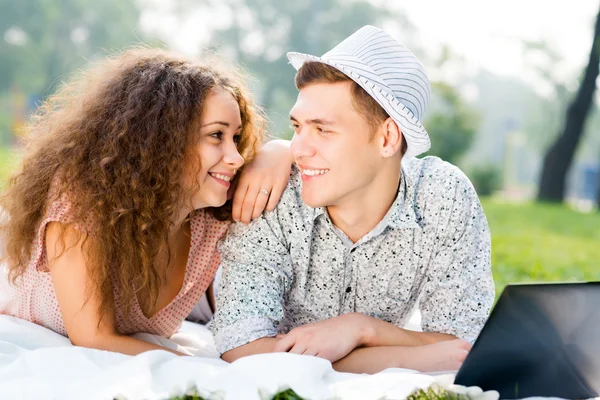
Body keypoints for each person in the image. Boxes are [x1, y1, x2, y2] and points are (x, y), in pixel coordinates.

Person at [211, 26, 495, 373]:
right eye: (297, 127)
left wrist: (361, 329)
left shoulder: (443, 197)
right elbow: (241, 344)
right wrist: (402, 356)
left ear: (388, 137)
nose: (298, 149)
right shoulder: (270, 190)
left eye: (323, 129)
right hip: (200, 295)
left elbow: (461, 343)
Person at [0, 47, 293, 356]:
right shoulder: (85, 200)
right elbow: (94, 338)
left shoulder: (213, 213)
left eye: (236, 138)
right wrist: (201, 369)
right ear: (163, 141)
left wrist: (281, 149)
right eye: (216, 135)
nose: (235, 158)